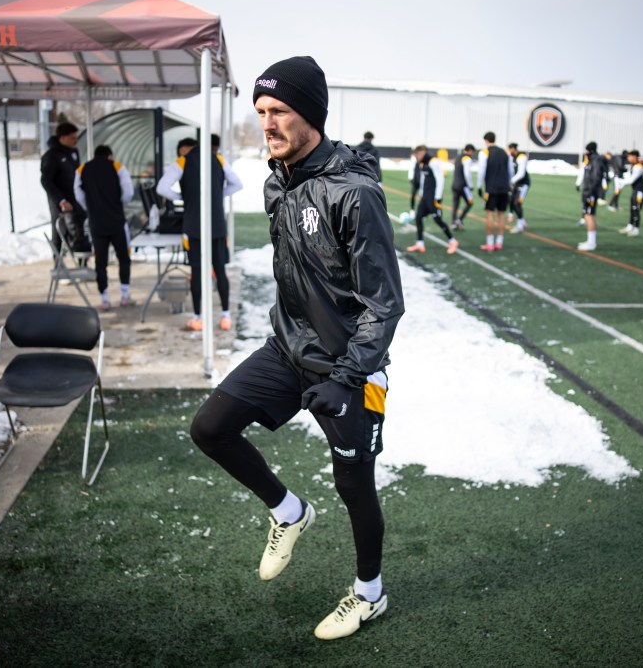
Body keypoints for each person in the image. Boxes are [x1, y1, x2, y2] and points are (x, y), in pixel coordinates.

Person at [190, 55, 404, 641]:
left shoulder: (355, 194)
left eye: (279, 110)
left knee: (354, 486)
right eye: (261, 111)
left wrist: (348, 375)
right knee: (210, 428)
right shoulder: (276, 182)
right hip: (288, 349)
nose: (267, 123)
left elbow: (384, 304)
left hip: (349, 368)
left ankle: (370, 594)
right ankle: (289, 511)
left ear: (310, 113)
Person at [157, 134, 243, 331]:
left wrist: (183, 197)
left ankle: (198, 318)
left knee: (196, 272)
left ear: (188, 148)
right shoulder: (218, 159)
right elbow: (238, 184)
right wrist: (217, 195)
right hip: (217, 224)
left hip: (193, 225)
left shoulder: (183, 161)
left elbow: (162, 188)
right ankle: (225, 316)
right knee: (220, 270)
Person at [73, 145, 134, 310]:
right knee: (124, 258)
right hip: (117, 221)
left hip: (96, 222)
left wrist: (90, 208)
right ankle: (125, 295)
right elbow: (128, 191)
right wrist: (118, 206)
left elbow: (78, 194)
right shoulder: (117, 167)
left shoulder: (82, 169)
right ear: (109, 155)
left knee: (100, 261)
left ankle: (105, 299)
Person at [41, 122, 90, 255]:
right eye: (72, 137)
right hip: (59, 202)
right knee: (58, 231)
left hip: (75, 198)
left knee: (81, 228)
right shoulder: (51, 155)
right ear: (62, 138)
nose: (76, 140)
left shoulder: (73, 152)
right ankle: (57, 262)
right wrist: (61, 200)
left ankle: (82, 260)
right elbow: (46, 180)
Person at [406, 145, 458, 254]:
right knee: (418, 217)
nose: (416, 158)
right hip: (425, 197)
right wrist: (421, 194)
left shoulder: (433, 162)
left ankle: (453, 241)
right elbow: (423, 179)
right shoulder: (422, 163)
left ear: (421, 154)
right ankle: (420, 243)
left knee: (437, 219)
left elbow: (440, 179)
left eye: (416, 156)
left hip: (433, 198)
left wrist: (438, 198)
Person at [477, 132, 514, 251]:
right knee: (501, 215)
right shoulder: (505, 152)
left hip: (491, 188)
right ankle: (499, 242)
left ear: (486, 140)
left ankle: (490, 243)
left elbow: (481, 171)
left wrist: (479, 186)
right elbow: (511, 170)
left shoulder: (484, 152)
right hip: (504, 188)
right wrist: (509, 183)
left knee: (489, 214)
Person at [575, 141, 606, 250]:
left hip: (591, 192)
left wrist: (590, 192)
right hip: (588, 191)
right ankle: (590, 240)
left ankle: (591, 242)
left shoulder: (596, 161)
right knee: (588, 215)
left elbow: (596, 178)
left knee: (589, 215)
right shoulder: (591, 160)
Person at [616, 150, 643, 237]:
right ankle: (630, 226)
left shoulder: (639, 167)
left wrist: (620, 181)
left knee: (636, 209)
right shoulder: (633, 166)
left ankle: (636, 229)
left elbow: (631, 180)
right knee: (632, 208)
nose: (628, 158)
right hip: (635, 190)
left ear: (634, 156)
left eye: (630, 156)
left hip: (640, 191)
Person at [451, 144, 475, 230]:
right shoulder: (467, 159)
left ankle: (454, 223)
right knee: (470, 202)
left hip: (455, 184)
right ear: (470, 150)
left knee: (455, 205)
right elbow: (467, 173)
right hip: (463, 186)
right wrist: (470, 185)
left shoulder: (458, 157)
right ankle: (459, 220)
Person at [507, 142, 530, 234]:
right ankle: (522, 221)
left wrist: (511, 181)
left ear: (513, 149)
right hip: (516, 184)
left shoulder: (521, 157)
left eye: (510, 150)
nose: (509, 152)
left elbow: (521, 174)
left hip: (523, 184)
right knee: (512, 201)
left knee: (517, 203)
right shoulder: (514, 158)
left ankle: (520, 225)